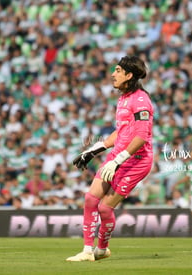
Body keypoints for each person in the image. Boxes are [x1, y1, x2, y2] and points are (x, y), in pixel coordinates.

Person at [66, 56, 154, 262]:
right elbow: (121, 132)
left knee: (104, 208)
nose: (112, 74)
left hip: (136, 161)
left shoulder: (141, 100)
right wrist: (93, 150)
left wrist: (117, 161)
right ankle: (87, 251)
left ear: (129, 75)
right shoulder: (123, 98)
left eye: (117, 70)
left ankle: (102, 248)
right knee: (90, 199)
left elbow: (141, 137)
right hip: (118, 157)